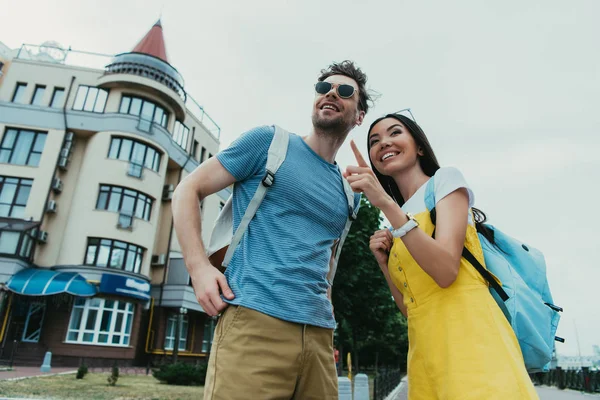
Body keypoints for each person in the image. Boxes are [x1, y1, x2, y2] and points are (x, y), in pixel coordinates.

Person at [171, 61, 370, 400]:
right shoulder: (269, 144)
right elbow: (187, 190)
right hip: (254, 323)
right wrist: (198, 267)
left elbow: (326, 260)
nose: (331, 94)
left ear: (359, 115)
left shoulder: (350, 193)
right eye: (324, 88)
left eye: (345, 91)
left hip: (319, 338)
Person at [343, 112, 538, 399]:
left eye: (395, 133)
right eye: (374, 141)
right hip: (426, 358)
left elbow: (446, 270)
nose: (384, 142)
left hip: (473, 347)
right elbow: (412, 308)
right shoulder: (399, 222)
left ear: (419, 146)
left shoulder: (444, 181)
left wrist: (384, 203)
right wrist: (384, 264)